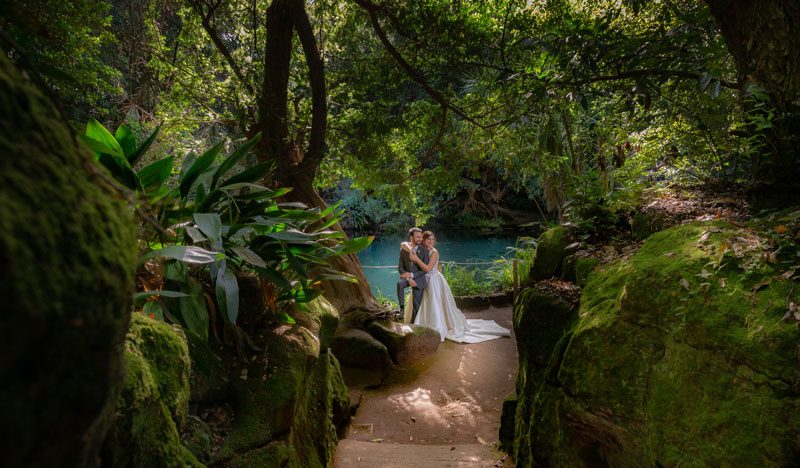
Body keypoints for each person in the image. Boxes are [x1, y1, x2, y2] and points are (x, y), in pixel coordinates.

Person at [403, 231, 511, 343]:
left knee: (435, 304)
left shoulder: (434, 252)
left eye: (432, 239)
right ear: (423, 240)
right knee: (421, 303)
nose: (430, 241)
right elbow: (403, 244)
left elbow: (428, 269)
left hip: (434, 281)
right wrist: (411, 250)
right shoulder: (420, 248)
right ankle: (421, 325)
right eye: (428, 239)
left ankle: (436, 327)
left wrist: (416, 259)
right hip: (422, 280)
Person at [396, 227, 430, 322]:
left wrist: (412, 276)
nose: (420, 239)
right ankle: (402, 309)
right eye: (417, 237)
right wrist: (408, 279)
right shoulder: (404, 250)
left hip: (419, 279)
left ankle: (413, 324)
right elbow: (400, 267)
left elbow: (425, 270)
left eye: (421, 237)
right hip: (407, 278)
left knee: (416, 306)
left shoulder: (424, 251)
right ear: (411, 237)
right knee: (399, 284)